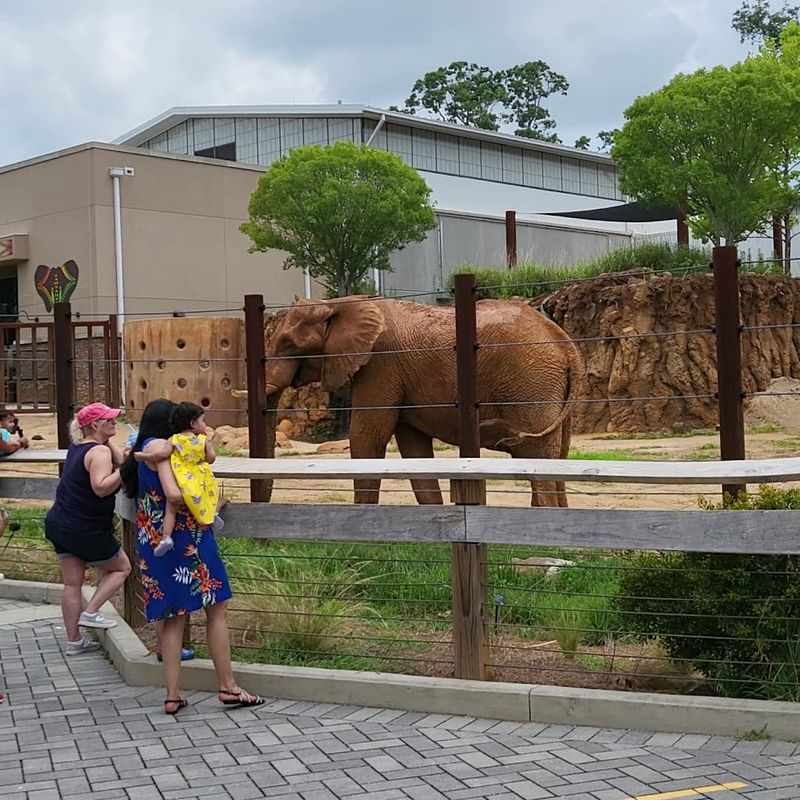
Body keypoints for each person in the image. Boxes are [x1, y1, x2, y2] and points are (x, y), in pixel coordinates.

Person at [120, 398, 264, 715]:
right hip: (189, 538)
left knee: (173, 618)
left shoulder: (141, 449)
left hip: (154, 539)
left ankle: (172, 695)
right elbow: (175, 494)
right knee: (217, 609)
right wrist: (214, 505)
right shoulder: (165, 449)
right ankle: (227, 686)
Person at [44, 402, 132, 655]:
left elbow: (119, 456)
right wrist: (125, 470)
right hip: (86, 527)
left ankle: (74, 642)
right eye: (110, 420)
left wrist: (112, 444)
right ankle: (91, 612)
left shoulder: (80, 446)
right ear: (95, 424)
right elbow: (101, 487)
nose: (115, 422)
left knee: (73, 584)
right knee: (122, 567)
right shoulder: (100, 453)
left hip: (60, 522)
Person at [150, 401, 219, 557]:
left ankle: (166, 537)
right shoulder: (202, 440)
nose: (205, 424)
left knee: (170, 510)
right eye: (203, 420)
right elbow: (211, 459)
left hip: (181, 480)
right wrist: (208, 449)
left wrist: (144, 456)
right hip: (200, 481)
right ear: (193, 423)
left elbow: (162, 455)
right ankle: (211, 517)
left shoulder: (173, 439)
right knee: (211, 497)